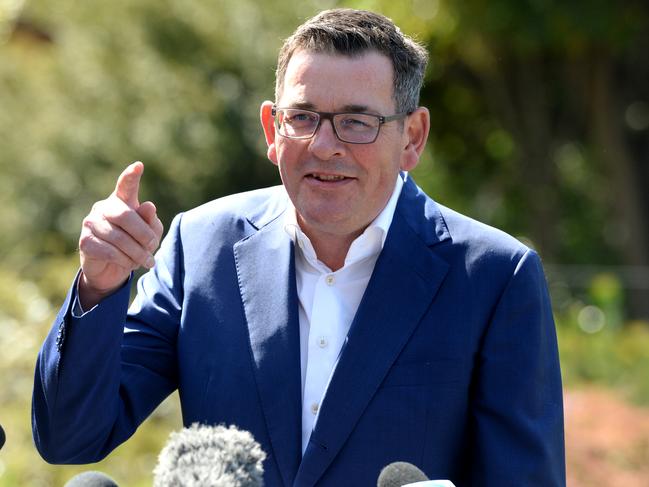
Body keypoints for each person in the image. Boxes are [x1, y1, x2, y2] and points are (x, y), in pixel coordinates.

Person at [32, 8, 565, 486]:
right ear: (272, 127)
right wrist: (100, 285)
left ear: (412, 138)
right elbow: (71, 438)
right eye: (304, 118)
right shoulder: (202, 245)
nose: (324, 146)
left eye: (357, 122)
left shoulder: (495, 276)